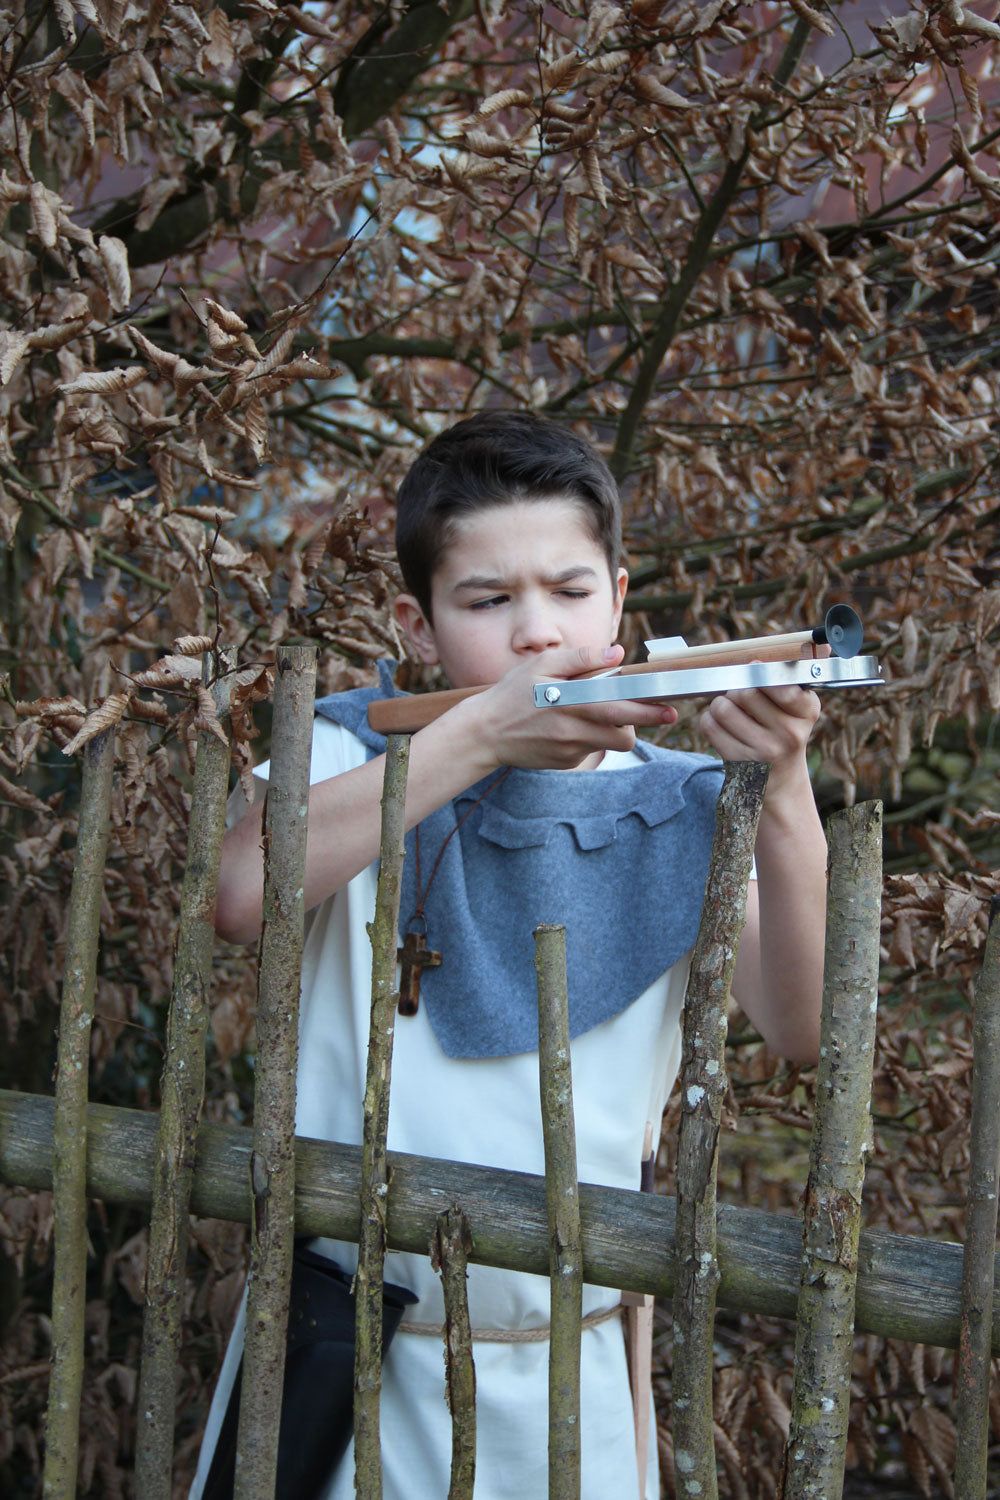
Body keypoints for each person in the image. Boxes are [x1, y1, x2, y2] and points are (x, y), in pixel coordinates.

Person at [191, 411, 827, 1500]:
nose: (536, 632)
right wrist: (482, 734)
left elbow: (802, 1026)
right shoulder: (350, 747)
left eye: (569, 591)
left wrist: (784, 789)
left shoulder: (683, 799)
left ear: (617, 601)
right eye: (488, 601)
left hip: (572, 1366)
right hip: (339, 1351)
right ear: (419, 621)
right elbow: (242, 896)